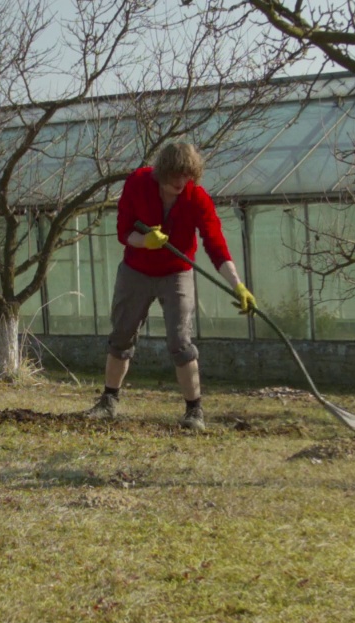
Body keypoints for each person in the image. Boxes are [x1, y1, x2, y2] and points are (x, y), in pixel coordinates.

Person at [84, 142, 256, 431]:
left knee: (180, 341)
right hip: (135, 271)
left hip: (177, 273)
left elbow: (215, 244)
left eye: (186, 176)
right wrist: (146, 242)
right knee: (121, 335)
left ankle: (194, 411)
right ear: (160, 172)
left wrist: (238, 285)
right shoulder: (138, 183)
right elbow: (123, 231)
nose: (179, 182)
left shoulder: (197, 198)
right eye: (174, 175)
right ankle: (108, 401)